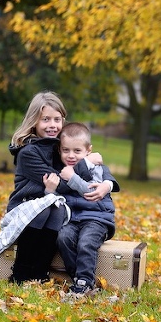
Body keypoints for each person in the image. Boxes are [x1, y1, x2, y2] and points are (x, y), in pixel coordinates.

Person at [4, 91, 112, 283]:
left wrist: (108, 183)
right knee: (46, 209)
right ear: (34, 121)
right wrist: (85, 163)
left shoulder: (59, 146)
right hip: (24, 207)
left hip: (49, 201)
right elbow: (62, 183)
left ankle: (40, 271)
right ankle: (20, 271)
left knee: (57, 209)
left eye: (57, 119)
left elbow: (94, 170)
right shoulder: (28, 153)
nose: (52, 125)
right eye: (45, 119)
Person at [46, 122, 119, 295]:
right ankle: (81, 279)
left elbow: (96, 188)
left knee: (86, 242)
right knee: (63, 238)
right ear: (59, 150)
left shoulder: (98, 168)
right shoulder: (60, 171)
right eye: (66, 150)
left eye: (77, 151)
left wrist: (107, 185)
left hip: (97, 219)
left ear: (88, 150)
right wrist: (49, 190)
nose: (71, 155)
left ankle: (84, 281)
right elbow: (58, 192)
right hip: (71, 219)